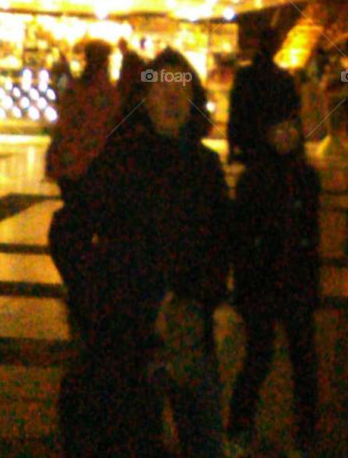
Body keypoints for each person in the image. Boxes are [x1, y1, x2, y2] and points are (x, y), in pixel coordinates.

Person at [57, 47, 229, 458]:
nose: (172, 97)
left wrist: (204, 297)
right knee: (135, 438)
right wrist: (96, 296)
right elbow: (67, 231)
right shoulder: (121, 160)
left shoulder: (206, 166)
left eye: (181, 86)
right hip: (129, 335)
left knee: (203, 438)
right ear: (144, 99)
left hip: (190, 330)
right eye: (161, 87)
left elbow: (222, 242)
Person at [227, 108, 320, 458]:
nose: (285, 135)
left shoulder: (307, 177)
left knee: (304, 360)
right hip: (262, 284)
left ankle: (306, 430)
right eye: (277, 128)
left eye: (290, 128)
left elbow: (312, 234)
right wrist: (243, 280)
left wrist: (313, 283)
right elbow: (240, 233)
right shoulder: (253, 179)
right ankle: (239, 426)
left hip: (296, 281)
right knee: (257, 357)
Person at [46, 40, 120, 332]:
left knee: (76, 222)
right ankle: (87, 282)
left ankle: (78, 280)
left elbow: (64, 124)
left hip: (70, 168)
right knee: (90, 225)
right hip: (95, 168)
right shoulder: (108, 94)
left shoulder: (76, 89)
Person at [227, 22, 299, 164]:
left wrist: (232, 146)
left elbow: (235, 111)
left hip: (250, 143)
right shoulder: (284, 78)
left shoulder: (244, 76)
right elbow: (292, 116)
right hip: (275, 146)